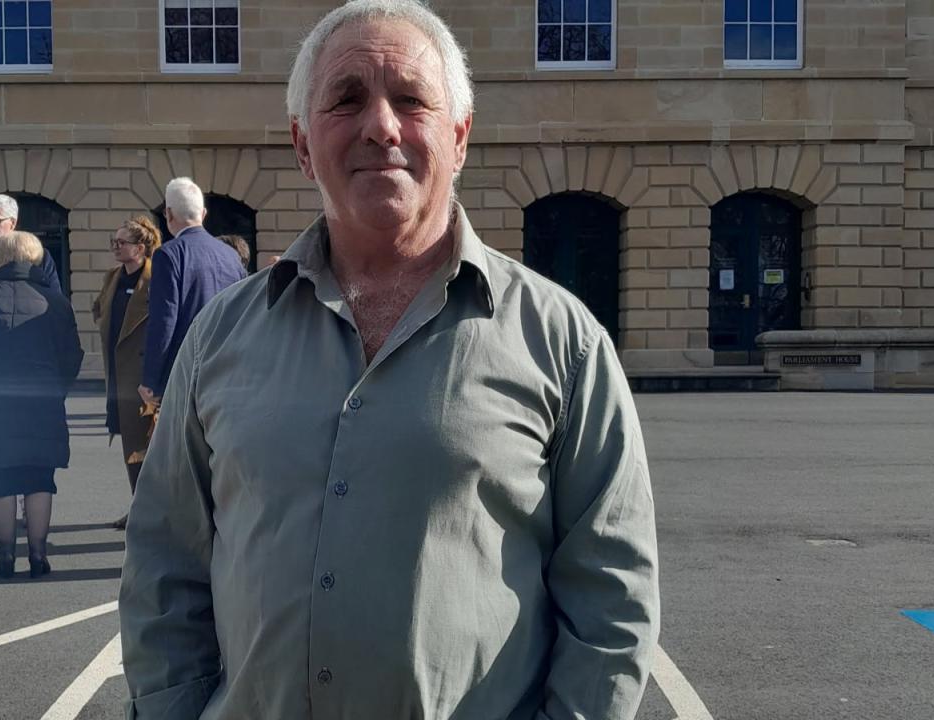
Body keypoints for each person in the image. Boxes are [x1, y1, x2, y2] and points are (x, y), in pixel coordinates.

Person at [119, 1, 660, 719]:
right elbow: (166, 568)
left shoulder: (563, 342)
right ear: (303, 143)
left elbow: (610, 603)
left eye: (411, 99)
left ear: (460, 137)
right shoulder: (221, 337)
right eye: (346, 99)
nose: (381, 125)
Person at [0, 231, 83, 580]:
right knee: (40, 478)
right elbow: (72, 355)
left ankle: (5, 557)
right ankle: (39, 555)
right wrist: (58, 388)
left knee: (1, 478)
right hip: (42, 402)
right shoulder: (56, 301)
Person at [137, 178, 245, 407]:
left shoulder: (168, 255)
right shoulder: (231, 256)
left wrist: (151, 380)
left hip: (184, 374)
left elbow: (164, 320)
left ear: (168, 213)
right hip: (228, 372)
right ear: (203, 213)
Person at [92, 215, 161, 530]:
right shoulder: (112, 277)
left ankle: (149, 511)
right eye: (114, 242)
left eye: (123, 242)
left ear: (142, 246)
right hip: (118, 372)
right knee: (129, 445)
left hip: (145, 375)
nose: (116, 248)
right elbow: (99, 309)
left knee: (146, 446)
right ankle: (138, 506)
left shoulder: (156, 276)